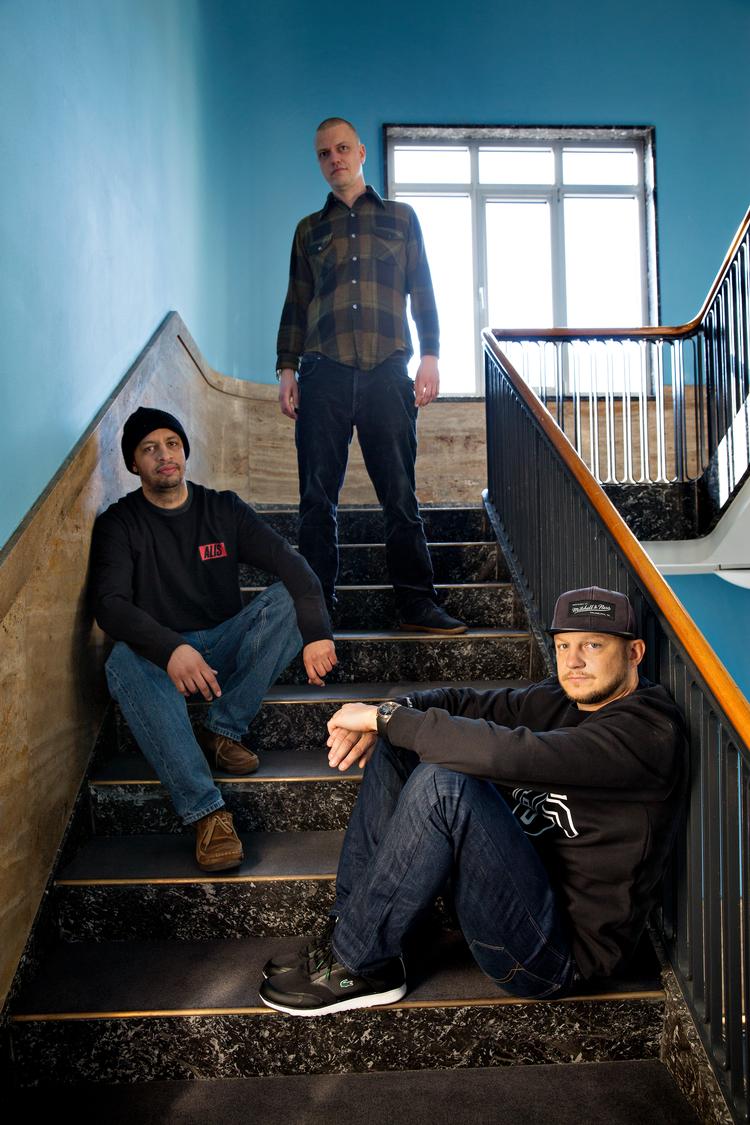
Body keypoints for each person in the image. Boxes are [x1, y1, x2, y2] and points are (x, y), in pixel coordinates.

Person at [259, 586, 685, 1016]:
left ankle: (358, 961)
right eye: (563, 645)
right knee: (399, 743)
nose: (573, 661)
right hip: (506, 898)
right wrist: (391, 710)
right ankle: (352, 928)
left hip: (553, 955)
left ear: (635, 653)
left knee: (444, 782)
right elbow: (464, 702)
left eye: (592, 645)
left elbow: (509, 753)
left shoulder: (647, 733)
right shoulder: (559, 698)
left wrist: (386, 719)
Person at [90, 406, 337, 872]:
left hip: (224, 646)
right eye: (149, 449)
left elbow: (292, 565)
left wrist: (317, 635)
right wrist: (170, 648)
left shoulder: (222, 508)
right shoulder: (119, 524)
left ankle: (223, 730)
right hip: (164, 658)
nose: (164, 455)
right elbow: (110, 606)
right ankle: (207, 812)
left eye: (172, 444)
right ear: (133, 464)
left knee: (287, 599)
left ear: (184, 450)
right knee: (122, 662)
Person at [276, 116, 466, 635]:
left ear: (361, 153)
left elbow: (422, 288)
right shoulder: (308, 231)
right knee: (317, 498)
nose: (333, 158)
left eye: (342, 148)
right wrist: (286, 369)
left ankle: (417, 605)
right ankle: (317, 612)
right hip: (323, 374)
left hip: (387, 371)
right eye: (323, 153)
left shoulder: (402, 219)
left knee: (399, 494)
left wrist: (432, 354)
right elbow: (296, 303)